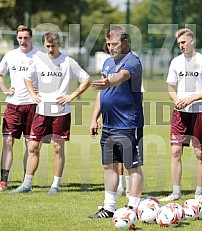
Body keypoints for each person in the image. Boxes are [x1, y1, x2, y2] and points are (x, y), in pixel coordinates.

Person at [8, 31, 91, 195]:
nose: (50, 49)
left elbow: (86, 79)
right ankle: (26, 185)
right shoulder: (39, 60)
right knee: (32, 147)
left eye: (53, 46)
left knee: (57, 148)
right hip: (41, 111)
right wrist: (32, 94)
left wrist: (72, 96)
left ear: (59, 44)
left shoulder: (68, 61)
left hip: (61, 112)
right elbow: (27, 78)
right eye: (47, 46)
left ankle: (55, 185)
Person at [87, 25, 144, 219]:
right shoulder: (107, 63)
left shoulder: (133, 61)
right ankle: (108, 208)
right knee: (109, 166)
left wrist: (110, 82)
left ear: (125, 42)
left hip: (128, 124)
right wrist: (95, 117)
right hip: (109, 125)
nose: (111, 47)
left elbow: (123, 76)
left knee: (132, 166)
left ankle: (132, 209)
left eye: (115, 44)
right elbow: (102, 94)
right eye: (108, 44)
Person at [161, 28, 202, 202]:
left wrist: (192, 99)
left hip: (199, 113)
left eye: (183, 42)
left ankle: (199, 193)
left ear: (192, 41)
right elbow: (170, 86)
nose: (181, 46)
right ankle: (176, 192)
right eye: (179, 43)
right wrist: (176, 99)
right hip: (180, 114)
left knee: (199, 154)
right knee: (176, 152)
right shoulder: (176, 62)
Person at [0, 25, 37, 192]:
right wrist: (4, 88)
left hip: (33, 106)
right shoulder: (10, 55)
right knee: (7, 141)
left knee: (30, 144)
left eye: (26, 38)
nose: (23, 41)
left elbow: (50, 77)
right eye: (20, 38)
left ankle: (26, 183)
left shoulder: (40, 56)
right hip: (13, 105)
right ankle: (3, 182)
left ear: (31, 38)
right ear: (17, 38)